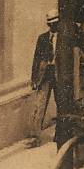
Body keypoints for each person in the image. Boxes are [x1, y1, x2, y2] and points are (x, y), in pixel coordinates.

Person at [28, 9, 60, 147]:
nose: (53, 26)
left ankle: (60, 134)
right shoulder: (42, 38)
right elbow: (36, 59)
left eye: (55, 23)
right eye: (51, 24)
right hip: (45, 75)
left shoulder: (64, 38)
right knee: (39, 106)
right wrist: (34, 79)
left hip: (60, 74)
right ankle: (35, 137)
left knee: (61, 104)